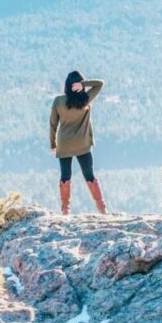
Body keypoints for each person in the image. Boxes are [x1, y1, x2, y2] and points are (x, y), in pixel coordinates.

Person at [49, 71, 106, 215]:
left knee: (65, 176)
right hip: (83, 144)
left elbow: (53, 124)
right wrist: (84, 84)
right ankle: (102, 209)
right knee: (90, 176)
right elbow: (100, 84)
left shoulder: (58, 101)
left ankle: (65, 210)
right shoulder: (86, 99)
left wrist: (53, 145)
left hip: (64, 143)